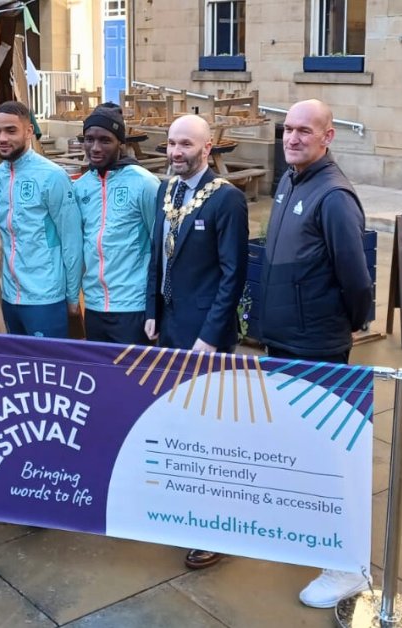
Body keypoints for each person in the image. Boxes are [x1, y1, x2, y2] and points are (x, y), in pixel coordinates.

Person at [260, 99, 373, 608]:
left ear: (328, 137)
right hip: (284, 341)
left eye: (305, 131)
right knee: (298, 448)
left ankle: (347, 567)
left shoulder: (334, 196)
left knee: (330, 456)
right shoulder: (290, 181)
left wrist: (341, 327)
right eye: (287, 130)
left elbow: (357, 279)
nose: (293, 138)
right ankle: (312, 531)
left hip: (317, 346)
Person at [142, 114, 248, 573]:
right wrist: (151, 311)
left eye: (185, 144)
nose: (175, 152)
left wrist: (210, 334)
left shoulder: (228, 201)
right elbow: (156, 255)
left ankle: (216, 530)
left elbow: (233, 275)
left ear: (208, 149)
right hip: (169, 326)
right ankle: (182, 509)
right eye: (170, 143)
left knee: (211, 433)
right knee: (180, 425)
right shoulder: (168, 191)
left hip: (206, 336)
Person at [0, 100, 82, 338]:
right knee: (21, 372)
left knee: (50, 371)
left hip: (46, 298)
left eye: (11, 130)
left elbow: (72, 241)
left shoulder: (52, 176)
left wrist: (72, 297)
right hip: (10, 296)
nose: (2, 138)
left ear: (29, 131)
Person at [73, 103, 159, 344]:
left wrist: (155, 306)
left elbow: (160, 244)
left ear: (121, 142)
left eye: (105, 140)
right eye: (89, 139)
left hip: (133, 306)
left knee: (134, 378)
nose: (95, 148)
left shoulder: (144, 184)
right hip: (94, 304)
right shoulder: (80, 187)